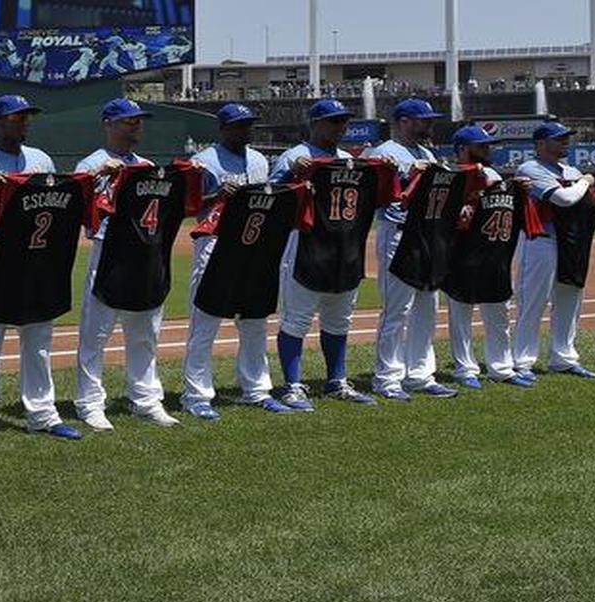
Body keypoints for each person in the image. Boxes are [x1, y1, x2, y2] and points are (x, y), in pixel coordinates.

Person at [0, 95, 81, 449]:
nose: (23, 122)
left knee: (39, 338)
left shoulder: (41, 160)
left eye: (27, 117)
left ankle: (42, 414)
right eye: (16, 117)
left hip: (36, 254)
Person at [268, 99, 389, 410]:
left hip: (346, 248)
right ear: (315, 123)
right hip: (305, 246)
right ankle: (292, 385)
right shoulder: (295, 156)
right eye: (333, 121)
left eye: (343, 121)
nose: (340, 127)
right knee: (297, 319)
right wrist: (291, 175)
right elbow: (273, 198)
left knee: (339, 320)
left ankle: (336, 381)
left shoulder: (350, 160)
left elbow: (381, 199)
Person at [180, 103, 291, 420]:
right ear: (223, 128)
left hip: (253, 244)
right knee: (205, 321)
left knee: (255, 320)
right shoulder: (202, 162)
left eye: (249, 125)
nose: (246, 130)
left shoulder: (258, 160)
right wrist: (214, 195)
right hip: (214, 242)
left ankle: (256, 390)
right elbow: (187, 207)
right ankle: (196, 395)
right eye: (240, 125)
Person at [75, 98, 180, 431]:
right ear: (108, 124)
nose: (136, 125)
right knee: (96, 335)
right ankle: (90, 404)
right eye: (127, 121)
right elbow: (77, 205)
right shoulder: (90, 163)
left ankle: (146, 400)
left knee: (145, 332)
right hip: (108, 251)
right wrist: (96, 175)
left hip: (143, 251)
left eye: (138, 120)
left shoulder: (146, 165)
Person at [365, 99, 458, 401]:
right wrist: (406, 173)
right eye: (424, 120)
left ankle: (419, 374)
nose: (430, 125)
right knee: (397, 308)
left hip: (425, 233)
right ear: (404, 121)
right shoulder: (382, 152)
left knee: (426, 307)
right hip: (397, 232)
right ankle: (387, 378)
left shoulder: (427, 152)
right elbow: (373, 196)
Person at [444, 126, 536, 389]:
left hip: (495, 255)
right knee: (461, 314)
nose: (488, 150)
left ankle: (501, 368)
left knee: (499, 314)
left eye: (488, 145)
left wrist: (518, 188)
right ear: (463, 149)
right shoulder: (451, 175)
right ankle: (465, 369)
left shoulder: (494, 174)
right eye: (481, 146)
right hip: (462, 255)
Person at [512, 122, 595, 380]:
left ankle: (563, 358)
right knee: (533, 301)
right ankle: (523, 362)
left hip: (570, 241)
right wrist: (585, 181)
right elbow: (565, 198)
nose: (565, 142)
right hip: (541, 238)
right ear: (540, 145)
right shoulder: (530, 168)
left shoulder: (569, 169)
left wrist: (578, 181)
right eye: (558, 138)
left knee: (569, 298)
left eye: (566, 138)